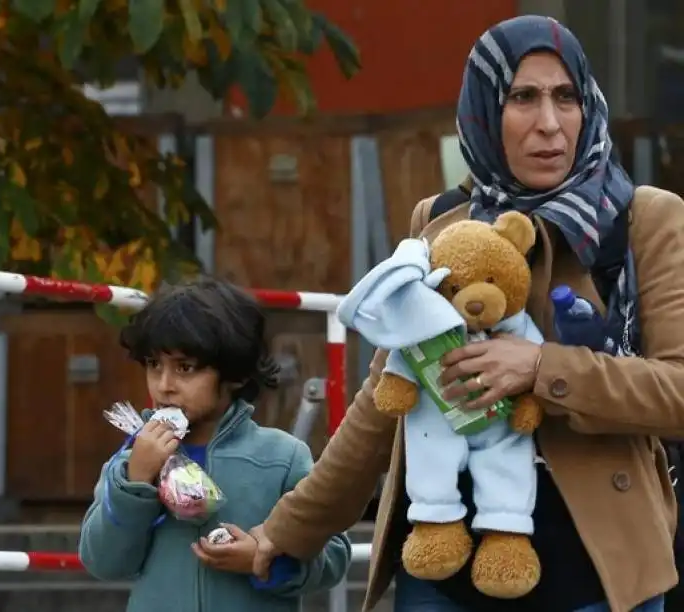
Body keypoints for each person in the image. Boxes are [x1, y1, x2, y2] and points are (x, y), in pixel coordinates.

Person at [242, 14, 684, 612]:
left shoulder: (645, 220)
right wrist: (286, 531)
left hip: (598, 578)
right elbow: (382, 400)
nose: (550, 123)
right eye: (523, 97)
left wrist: (541, 369)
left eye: (566, 97)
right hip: (443, 570)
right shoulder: (441, 223)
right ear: (484, 110)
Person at [77, 278, 352, 612]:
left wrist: (263, 559)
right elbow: (102, 562)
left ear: (234, 373)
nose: (164, 385)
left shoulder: (282, 457)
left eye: (185, 368)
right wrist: (134, 484)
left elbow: (334, 554)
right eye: (153, 365)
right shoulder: (132, 458)